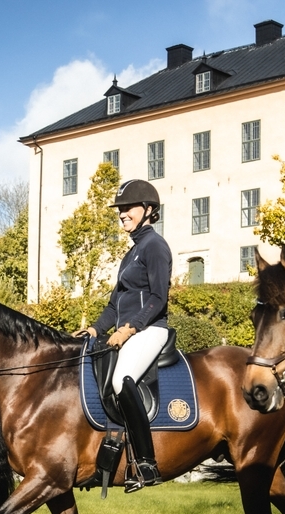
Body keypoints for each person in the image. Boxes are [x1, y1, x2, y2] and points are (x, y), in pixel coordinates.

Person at [75, 179, 173, 492]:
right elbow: (114, 304)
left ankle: (146, 464)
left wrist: (129, 329)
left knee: (121, 380)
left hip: (150, 330)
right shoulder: (131, 253)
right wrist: (93, 329)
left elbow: (158, 298)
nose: (121, 214)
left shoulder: (155, 247)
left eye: (127, 208)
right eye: (120, 209)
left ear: (148, 210)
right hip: (126, 332)